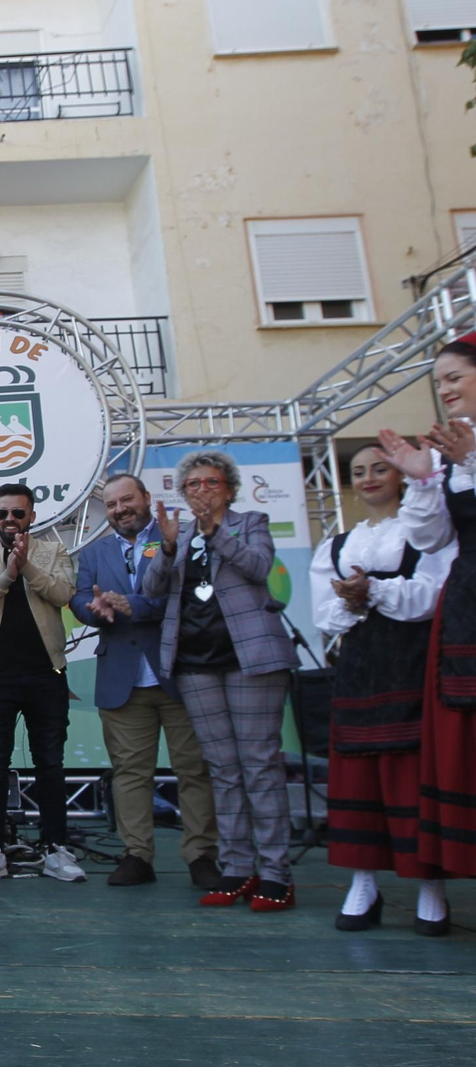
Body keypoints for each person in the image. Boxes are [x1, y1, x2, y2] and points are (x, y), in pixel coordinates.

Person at [140, 450, 299, 911]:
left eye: (211, 483)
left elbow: (257, 567)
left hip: (250, 660)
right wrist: (169, 548)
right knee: (224, 772)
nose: (202, 492)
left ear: (229, 488)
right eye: (193, 485)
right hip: (194, 663)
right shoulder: (177, 533)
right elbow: (152, 589)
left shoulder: (251, 522)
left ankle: (275, 874)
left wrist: (215, 531)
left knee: (260, 766)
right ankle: (235, 868)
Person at [310, 445, 454, 933]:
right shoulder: (336, 547)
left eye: (379, 468)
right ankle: (363, 882)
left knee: (412, 777)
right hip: (360, 667)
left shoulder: (429, 535)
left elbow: (431, 598)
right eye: (359, 472)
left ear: (401, 476)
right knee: (358, 777)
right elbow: (324, 617)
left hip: (411, 667)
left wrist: (373, 590)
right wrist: (352, 599)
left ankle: (429, 886)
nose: (369, 477)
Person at [72, 475, 219, 889]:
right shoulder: (94, 551)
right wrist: (94, 607)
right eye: (112, 503)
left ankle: (201, 856)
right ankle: (137, 855)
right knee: (130, 774)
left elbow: (187, 596)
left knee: (194, 771)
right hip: (122, 677)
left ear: (146, 500)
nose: (120, 509)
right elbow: (78, 598)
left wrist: (129, 605)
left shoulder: (180, 539)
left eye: (127, 500)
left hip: (178, 672)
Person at [377, 330, 476, 934]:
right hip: (466, 602)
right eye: (439, 381)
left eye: (454, 378)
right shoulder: (447, 455)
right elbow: (429, 539)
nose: (444, 390)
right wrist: (422, 476)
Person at [0, 483, 85, 883]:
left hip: (46, 673)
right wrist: (7, 575)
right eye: (2, 514)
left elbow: (64, 593)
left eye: (17, 514)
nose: (9, 521)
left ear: (32, 516)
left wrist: (27, 566)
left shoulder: (53, 551)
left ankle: (55, 847)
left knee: (51, 763)